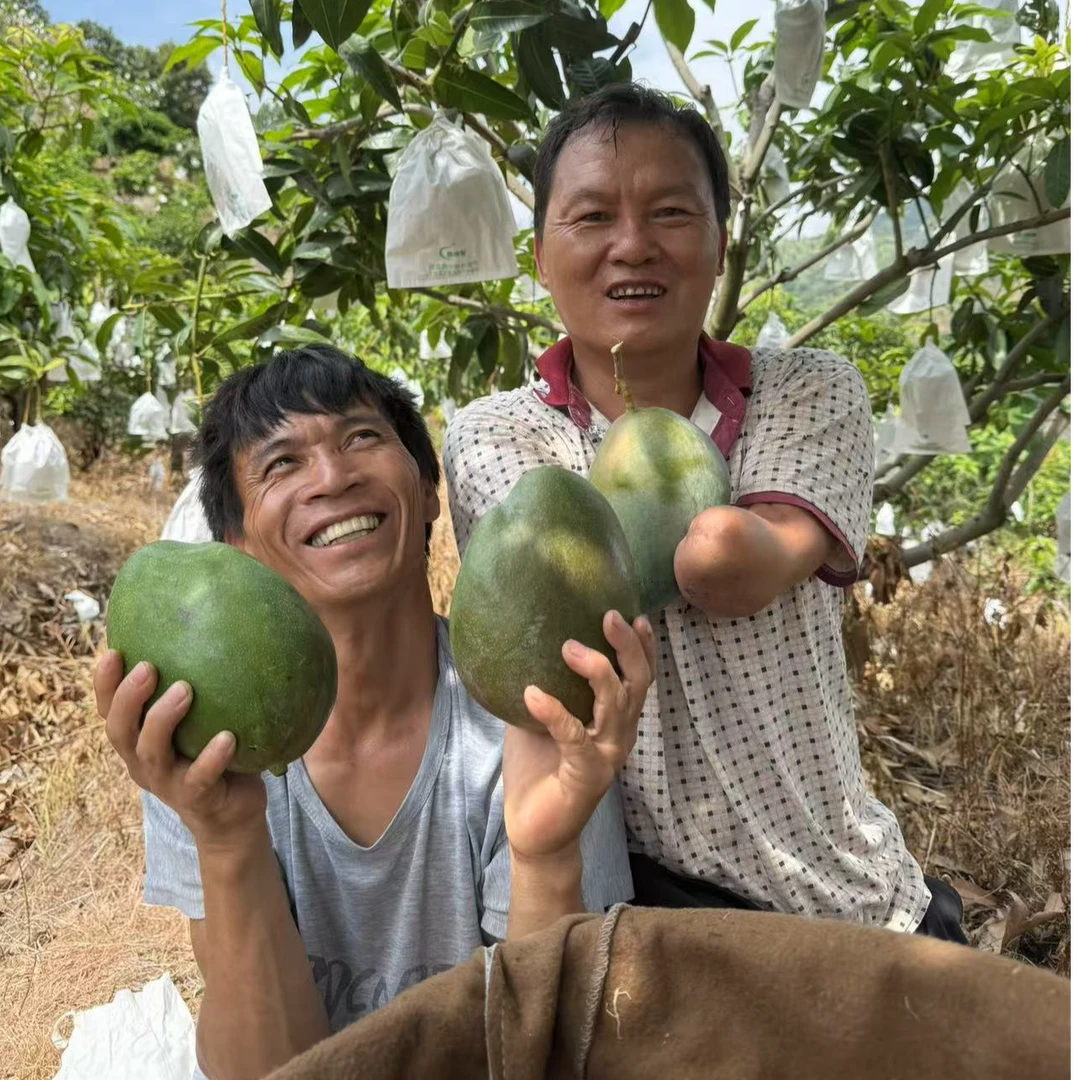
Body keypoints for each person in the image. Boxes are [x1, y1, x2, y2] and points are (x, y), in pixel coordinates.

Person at [443, 83, 965, 942]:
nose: (633, 246)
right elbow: (539, 633)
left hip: (844, 897)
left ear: (721, 244)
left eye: (671, 213)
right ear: (538, 254)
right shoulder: (498, 437)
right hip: (647, 916)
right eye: (592, 216)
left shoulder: (806, 390)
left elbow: (729, 564)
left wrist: (697, 525)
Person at [94, 345, 655, 1080]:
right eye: (282, 464)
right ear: (236, 545)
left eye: (362, 437)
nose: (333, 477)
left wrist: (544, 855)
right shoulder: (208, 748)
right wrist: (227, 841)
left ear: (428, 492)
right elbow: (265, 1070)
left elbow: (548, 1059)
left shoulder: (529, 721)